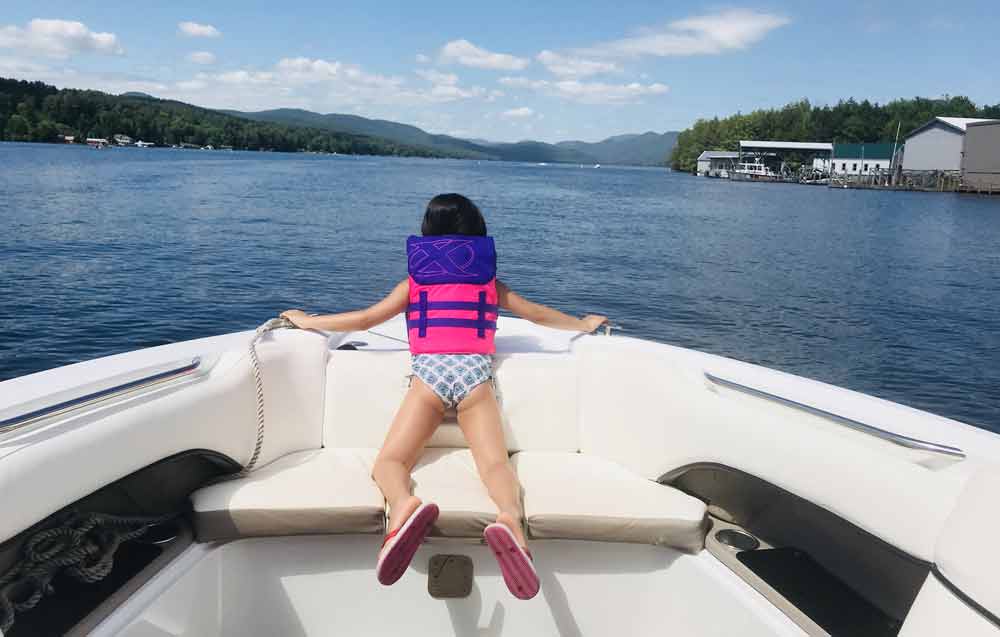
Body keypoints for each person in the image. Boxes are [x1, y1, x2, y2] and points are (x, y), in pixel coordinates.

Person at [281, 193, 606, 600]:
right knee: (493, 465)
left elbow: (364, 319)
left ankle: (402, 505)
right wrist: (583, 323)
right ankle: (511, 522)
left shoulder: (414, 284)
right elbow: (537, 314)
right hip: (474, 378)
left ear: (428, 236)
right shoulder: (490, 286)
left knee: (391, 461)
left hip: (429, 379)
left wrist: (308, 321)